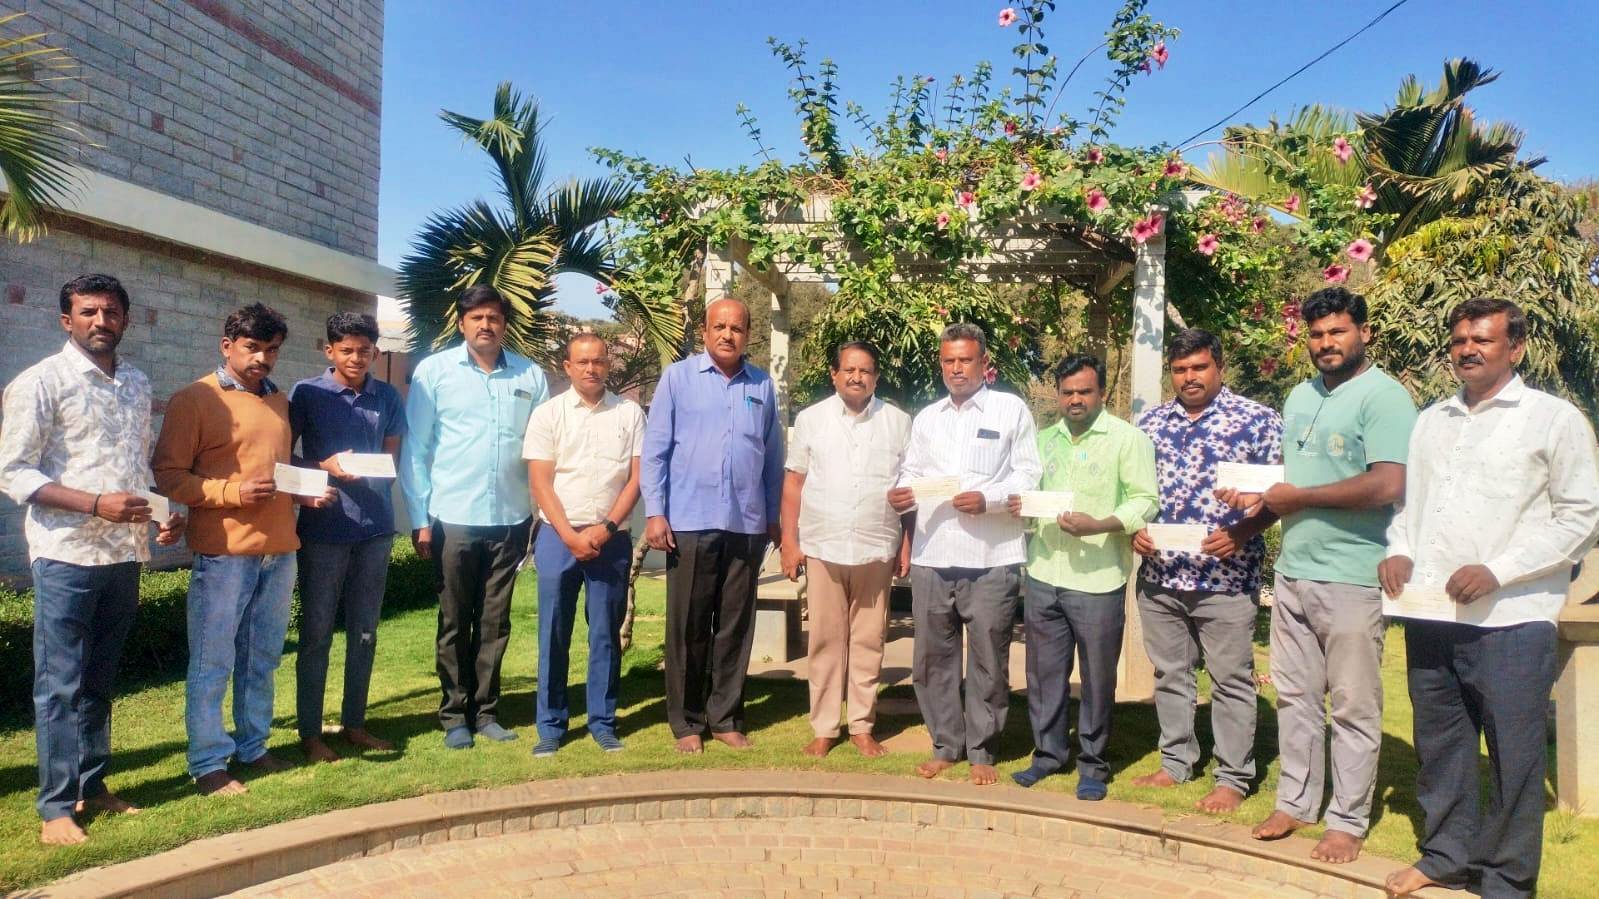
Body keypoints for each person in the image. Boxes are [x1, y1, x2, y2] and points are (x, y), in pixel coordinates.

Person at [1379, 299, 1599, 899]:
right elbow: (1411, 508)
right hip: (1433, 614)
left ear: (1516, 348)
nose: (1468, 349)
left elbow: (1582, 517)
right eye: (1459, 341)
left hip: (1513, 620)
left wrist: (1499, 571)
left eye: (1483, 339)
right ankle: (1445, 856)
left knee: (1514, 758)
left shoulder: (1553, 420)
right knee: (1441, 746)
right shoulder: (1433, 420)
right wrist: (1401, 548)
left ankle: (1504, 880)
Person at [1219, 286, 1418, 863]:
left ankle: (1348, 820)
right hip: (1294, 571)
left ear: (1364, 333)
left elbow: (1389, 483)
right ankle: (1296, 803)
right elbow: (1292, 480)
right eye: (1317, 334)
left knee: (1353, 705)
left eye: (1338, 331)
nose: (1326, 342)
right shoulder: (1300, 395)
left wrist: (1298, 496)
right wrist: (1255, 505)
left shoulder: (1385, 397)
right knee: (1296, 697)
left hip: (1353, 576)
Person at [0, 274, 185, 844]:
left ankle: (93, 784)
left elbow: (134, 466)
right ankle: (56, 807)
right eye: (88, 312)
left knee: (100, 680)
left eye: (111, 312)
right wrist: (96, 504)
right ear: (67, 320)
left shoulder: (136, 382)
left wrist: (161, 513)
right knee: (60, 683)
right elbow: (14, 472)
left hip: (123, 555)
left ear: (124, 319)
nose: (101, 321)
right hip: (66, 554)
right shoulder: (40, 383)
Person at [154, 303, 335, 796]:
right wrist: (232, 492)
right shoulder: (194, 399)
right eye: (252, 347)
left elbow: (276, 468)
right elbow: (168, 474)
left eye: (271, 350)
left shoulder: (277, 400)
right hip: (224, 554)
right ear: (227, 345)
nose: (262, 359)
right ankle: (209, 762)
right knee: (213, 662)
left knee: (263, 658)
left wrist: (303, 493)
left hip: (279, 549)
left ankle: (253, 747)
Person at [1130, 329, 1282, 812]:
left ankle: (1233, 777)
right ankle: (1176, 763)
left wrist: (1242, 531)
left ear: (1219, 365)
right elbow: (1133, 491)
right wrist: (1134, 530)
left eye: (1199, 367)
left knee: (1230, 680)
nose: (1189, 377)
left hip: (1226, 578)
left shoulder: (1257, 421)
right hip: (1161, 577)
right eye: (1180, 369)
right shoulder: (1149, 424)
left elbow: (1280, 495)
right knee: (1170, 674)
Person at [888, 323, 1041, 786]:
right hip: (933, 553)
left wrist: (989, 499)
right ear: (941, 364)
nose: (957, 368)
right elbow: (912, 472)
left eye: (966, 360)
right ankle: (945, 745)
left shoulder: (1010, 409)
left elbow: (1029, 475)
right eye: (949, 361)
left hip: (991, 554)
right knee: (933, 659)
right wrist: (902, 493)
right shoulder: (927, 418)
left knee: (988, 658)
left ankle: (982, 749)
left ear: (984, 363)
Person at [399, 285, 549, 750]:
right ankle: (453, 716)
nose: (486, 325)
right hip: (454, 517)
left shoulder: (530, 375)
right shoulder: (434, 372)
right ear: (462, 323)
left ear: (505, 324)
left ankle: (485, 713)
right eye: (477, 317)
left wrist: (542, 512)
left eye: (494, 318)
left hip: (509, 518)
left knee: (494, 622)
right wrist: (420, 518)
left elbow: (544, 449)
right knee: (453, 621)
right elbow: (416, 449)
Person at [1006, 354, 1157, 797]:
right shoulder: (1043, 441)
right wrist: (1021, 505)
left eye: (1085, 391)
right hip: (1044, 573)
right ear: (1058, 394)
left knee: (1097, 678)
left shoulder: (1128, 440)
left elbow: (1145, 500)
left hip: (1098, 579)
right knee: (1044, 674)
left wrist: (1100, 524)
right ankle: (1048, 755)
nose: (1075, 399)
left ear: (1102, 393)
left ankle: (1093, 765)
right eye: (1068, 392)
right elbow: (1031, 495)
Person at [641, 297, 784, 754]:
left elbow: (773, 458)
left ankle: (725, 718)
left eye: (736, 328)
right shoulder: (677, 379)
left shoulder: (762, 385)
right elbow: (655, 451)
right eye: (719, 327)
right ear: (704, 332)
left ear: (748, 335)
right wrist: (655, 512)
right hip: (688, 521)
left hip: (746, 523)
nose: (727, 335)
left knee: (735, 626)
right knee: (689, 625)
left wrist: (774, 517)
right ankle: (687, 722)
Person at [780, 340, 912, 758]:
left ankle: (861, 726)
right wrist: (789, 541)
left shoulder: (898, 422)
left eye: (865, 370)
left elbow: (908, 490)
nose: (857, 377)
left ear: (876, 377)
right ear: (834, 375)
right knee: (824, 640)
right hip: (824, 545)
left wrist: (906, 542)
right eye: (849, 370)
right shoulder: (811, 419)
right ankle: (824, 727)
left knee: (870, 641)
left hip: (877, 545)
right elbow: (794, 484)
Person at [288, 312, 406, 763]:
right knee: (316, 634)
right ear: (329, 350)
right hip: (324, 529)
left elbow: (392, 459)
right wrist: (324, 467)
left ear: (375, 351)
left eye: (365, 350)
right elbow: (283, 456)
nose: (356, 358)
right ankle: (310, 733)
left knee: (365, 633)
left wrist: (375, 473)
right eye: (347, 350)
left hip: (375, 529)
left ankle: (355, 723)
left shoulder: (386, 396)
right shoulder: (307, 393)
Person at [523, 333, 644, 757]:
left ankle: (603, 721)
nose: (591, 369)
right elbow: (540, 482)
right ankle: (551, 726)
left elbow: (637, 478)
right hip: (559, 537)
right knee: (554, 633)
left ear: (609, 365)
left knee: (606, 633)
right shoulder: (548, 414)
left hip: (611, 539)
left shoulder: (629, 413)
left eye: (599, 361)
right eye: (583, 362)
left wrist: (607, 527)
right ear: (568, 366)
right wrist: (570, 535)